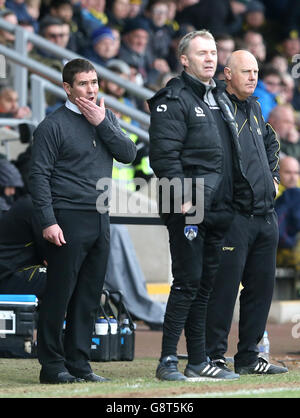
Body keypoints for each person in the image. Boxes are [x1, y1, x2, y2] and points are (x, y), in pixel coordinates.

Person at [28, 58, 137, 384]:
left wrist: (103, 122)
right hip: (66, 218)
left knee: (89, 295)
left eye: (94, 82)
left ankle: (79, 363)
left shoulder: (107, 117)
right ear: (67, 88)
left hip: (100, 217)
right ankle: (51, 366)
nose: (91, 89)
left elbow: (129, 153)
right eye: (83, 84)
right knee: (59, 295)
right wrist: (48, 221)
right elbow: (38, 176)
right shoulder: (52, 125)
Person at [148, 30, 244, 381]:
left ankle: (199, 360)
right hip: (189, 205)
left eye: (214, 51)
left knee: (205, 285)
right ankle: (167, 360)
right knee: (187, 282)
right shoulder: (172, 98)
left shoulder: (220, 97)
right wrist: (183, 199)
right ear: (183, 58)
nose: (210, 57)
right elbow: (163, 156)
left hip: (219, 205)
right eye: (201, 52)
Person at [206, 50, 288, 375]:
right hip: (233, 216)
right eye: (245, 71)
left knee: (261, 288)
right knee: (223, 289)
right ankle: (212, 356)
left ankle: (250, 356)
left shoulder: (255, 107)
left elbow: (270, 142)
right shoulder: (216, 109)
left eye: (255, 71)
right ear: (227, 74)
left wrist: (273, 177)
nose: (253, 77)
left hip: (265, 215)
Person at [0, 194, 47, 298]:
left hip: (15, 271)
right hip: (8, 276)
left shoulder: (31, 202)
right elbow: (49, 259)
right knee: (64, 276)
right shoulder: (36, 206)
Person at [275, 156, 300, 272]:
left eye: (296, 173)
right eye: (288, 172)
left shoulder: (296, 193)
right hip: (279, 250)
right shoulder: (272, 193)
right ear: (277, 172)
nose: (293, 177)